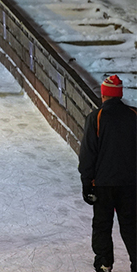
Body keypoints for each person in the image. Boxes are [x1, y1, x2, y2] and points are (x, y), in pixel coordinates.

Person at [78, 75, 136, 272]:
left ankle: (104, 262)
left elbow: (88, 152)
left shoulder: (97, 117)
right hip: (130, 184)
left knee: (102, 225)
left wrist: (86, 182)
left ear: (104, 94)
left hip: (103, 184)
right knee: (131, 225)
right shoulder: (134, 115)